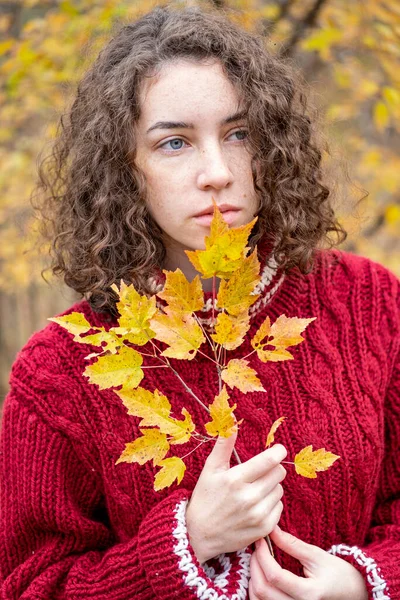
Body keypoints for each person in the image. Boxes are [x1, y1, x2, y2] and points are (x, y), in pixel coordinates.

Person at [0, 4, 398, 599]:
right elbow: (29, 584)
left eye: (239, 134)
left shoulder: (369, 304)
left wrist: (368, 584)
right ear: (123, 170)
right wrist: (186, 542)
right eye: (175, 143)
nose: (217, 171)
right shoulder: (61, 370)